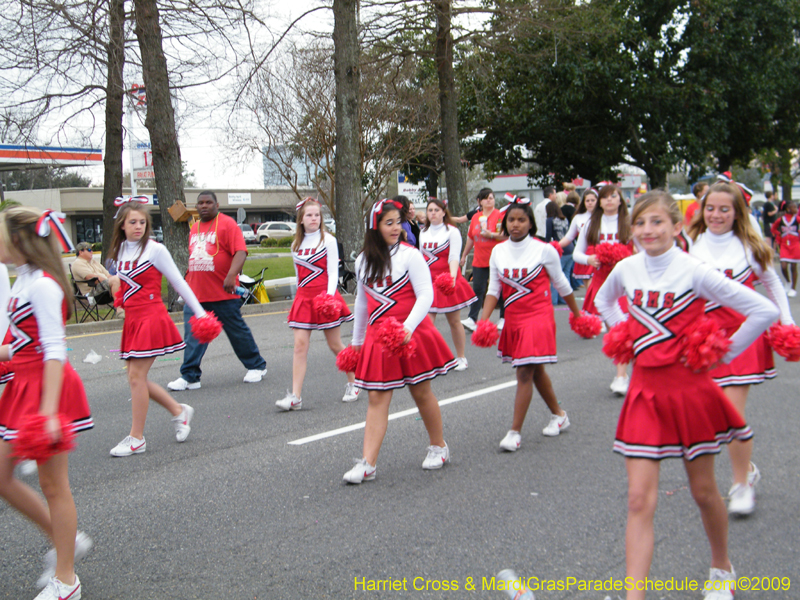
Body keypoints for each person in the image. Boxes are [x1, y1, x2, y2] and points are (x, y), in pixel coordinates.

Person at [595, 190, 778, 600]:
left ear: (677, 227)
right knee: (639, 498)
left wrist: (722, 352)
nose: (647, 230)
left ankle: (721, 566)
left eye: (657, 222)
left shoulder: (694, 271)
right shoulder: (626, 268)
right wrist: (623, 333)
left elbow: (761, 310)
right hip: (644, 393)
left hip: (690, 391)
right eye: (640, 222)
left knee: (703, 491)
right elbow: (604, 301)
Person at [0, 207, 94, 600]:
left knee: (54, 485)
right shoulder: (23, 280)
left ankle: (67, 578)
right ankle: (65, 542)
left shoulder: (42, 285)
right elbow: (25, 342)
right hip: (23, 384)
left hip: (46, 389)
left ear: (20, 241)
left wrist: (49, 411)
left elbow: (55, 349)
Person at [688, 181, 791, 515]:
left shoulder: (748, 245)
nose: (716, 215)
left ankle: (740, 486)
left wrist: (787, 322)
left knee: (731, 412)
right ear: (702, 210)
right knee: (711, 415)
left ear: (737, 213)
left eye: (724, 209)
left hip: (743, 334)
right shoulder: (690, 243)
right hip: (702, 339)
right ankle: (746, 470)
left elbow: (772, 281)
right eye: (710, 208)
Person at [342, 199, 457, 484]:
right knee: (377, 397)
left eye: (398, 222)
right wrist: (356, 342)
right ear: (375, 227)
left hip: (411, 333)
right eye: (388, 223)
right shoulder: (362, 260)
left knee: (421, 392)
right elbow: (361, 303)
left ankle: (439, 446)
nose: (395, 228)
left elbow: (426, 295)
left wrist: (406, 328)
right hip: (377, 336)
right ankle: (368, 463)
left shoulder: (410, 255)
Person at [480, 197, 582, 451]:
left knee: (524, 371)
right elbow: (494, 290)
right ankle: (559, 414)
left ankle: (514, 432)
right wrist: (484, 322)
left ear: (530, 223)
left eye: (521, 220)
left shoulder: (544, 249)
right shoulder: (498, 251)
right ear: (505, 223)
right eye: (512, 220)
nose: (516, 224)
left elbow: (561, 283)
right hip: (514, 318)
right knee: (535, 371)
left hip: (538, 316)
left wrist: (579, 316)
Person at [109, 200, 207, 457]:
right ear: (122, 224)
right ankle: (179, 411)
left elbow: (179, 282)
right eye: (132, 222)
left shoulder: (155, 249)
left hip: (151, 318)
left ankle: (136, 438)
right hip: (132, 319)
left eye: (142, 222)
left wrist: (200, 313)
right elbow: (121, 284)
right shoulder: (119, 251)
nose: (138, 226)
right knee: (135, 377)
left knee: (135, 377)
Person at [168, 191, 268, 392]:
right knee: (194, 335)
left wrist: (231, 275)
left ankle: (256, 366)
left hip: (223, 293)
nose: (204, 206)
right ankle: (190, 376)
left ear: (217, 205)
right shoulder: (194, 227)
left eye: (208, 202)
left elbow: (241, 251)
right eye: (200, 203)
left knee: (236, 332)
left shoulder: (227, 224)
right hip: (196, 294)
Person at [276, 198, 357, 410]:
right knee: (300, 347)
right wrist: (296, 299)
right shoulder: (295, 244)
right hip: (303, 299)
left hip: (325, 297)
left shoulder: (328, 240)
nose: (314, 219)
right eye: (309, 215)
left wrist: (329, 298)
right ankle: (295, 396)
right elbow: (298, 276)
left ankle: (354, 381)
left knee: (334, 344)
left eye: (317, 215)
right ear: (301, 219)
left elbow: (332, 273)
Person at [573, 183, 632, 395]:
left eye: (613, 196)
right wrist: (590, 258)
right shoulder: (591, 223)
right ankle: (622, 375)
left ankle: (624, 373)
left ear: (620, 199)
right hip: (603, 281)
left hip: (627, 280)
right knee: (617, 330)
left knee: (625, 328)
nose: (609, 200)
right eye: (605, 197)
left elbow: (643, 251)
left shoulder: (629, 222)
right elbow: (577, 254)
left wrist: (627, 257)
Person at [420, 198, 477, 371]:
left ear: (444, 212)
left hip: (447, 281)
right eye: (430, 210)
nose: (433, 213)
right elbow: (421, 259)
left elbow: (454, 257)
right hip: (429, 283)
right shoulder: (423, 233)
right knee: (426, 323)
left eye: (437, 210)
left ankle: (461, 357)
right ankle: (435, 358)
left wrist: (451, 278)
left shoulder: (452, 232)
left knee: (454, 321)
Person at [460, 188, 506, 332]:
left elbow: (505, 235)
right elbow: (471, 238)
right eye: (485, 198)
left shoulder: (500, 215)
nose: (489, 200)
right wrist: (464, 255)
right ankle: (472, 319)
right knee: (478, 289)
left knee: (500, 288)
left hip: (497, 258)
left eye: (491, 198)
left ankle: (503, 317)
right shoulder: (475, 217)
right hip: (479, 259)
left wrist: (491, 234)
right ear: (479, 201)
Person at [560, 188, 598, 287]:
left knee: (595, 288)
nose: (590, 203)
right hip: (583, 255)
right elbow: (569, 237)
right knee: (589, 289)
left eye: (593, 200)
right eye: (587, 201)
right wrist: (554, 246)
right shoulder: (578, 218)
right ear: (583, 202)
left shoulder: (603, 217)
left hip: (598, 256)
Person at [70, 242, 121, 311]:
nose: (91, 251)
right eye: (88, 250)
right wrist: (112, 281)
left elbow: (108, 275)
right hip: (93, 293)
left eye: (91, 249)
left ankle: (132, 310)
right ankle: (119, 308)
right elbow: (93, 279)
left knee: (124, 281)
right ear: (81, 252)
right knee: (116, 280)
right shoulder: (78, 263)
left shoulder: (94, 262)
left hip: (104, 288)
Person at [771, 200, 800, 297]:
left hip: (795, 244)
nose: (796, 209)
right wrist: (779, 235)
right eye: (794, 207)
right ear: (788, 209)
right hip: (784, 245)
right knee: (783, 266)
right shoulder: (781, 220)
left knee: (793, 267)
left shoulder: (797, 219)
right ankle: (788, 281)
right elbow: (773, 229)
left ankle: (793, 289)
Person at [544, 201, 570, 305]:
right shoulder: (564, 219)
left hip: (558, 249)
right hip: (569, 248)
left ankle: (553, 300)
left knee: (555, 276)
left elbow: (548, 235)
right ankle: (564, 299)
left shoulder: (550, 220)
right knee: (566, 274)